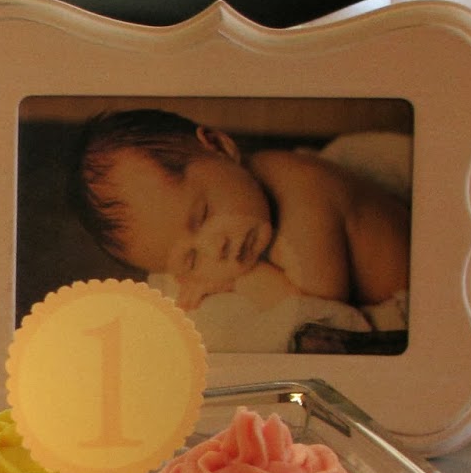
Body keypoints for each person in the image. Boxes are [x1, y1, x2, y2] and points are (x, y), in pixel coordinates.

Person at [66, 108, 409, 320]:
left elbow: (321, 315)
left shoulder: (304, 198)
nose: (216, 248)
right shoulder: (251, 194)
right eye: (191, 259)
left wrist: (242, 279)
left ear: (220, 147)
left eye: (204, 215)